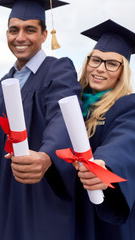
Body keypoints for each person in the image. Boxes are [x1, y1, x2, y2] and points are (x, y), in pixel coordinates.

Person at [0, 0, 83, 239]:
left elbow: (63, 115)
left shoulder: (58, 70)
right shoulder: (4, 82)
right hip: (9, 187)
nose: (20, 37)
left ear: (44, 35)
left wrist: (46, 155)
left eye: (30, 30)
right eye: (14, 30)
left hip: (44, 185)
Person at [73, 19, 135, 240]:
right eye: (96, 60)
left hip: (106, 212)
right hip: (71, 207)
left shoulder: (128, 105)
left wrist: (105, 163)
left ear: (122, 71)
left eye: (111, 63)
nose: (100, 68)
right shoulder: (72, 103)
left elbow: (127, 139)